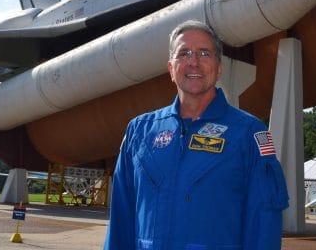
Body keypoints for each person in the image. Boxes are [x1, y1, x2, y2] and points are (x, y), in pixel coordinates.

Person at [103, 20, 289, 250]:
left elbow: (264, 227)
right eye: (184, 53)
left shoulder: (249, 134)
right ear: (171, 68)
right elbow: (121, 220)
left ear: (219, 68)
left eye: (204, 53)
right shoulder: (139, 132)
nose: (193, 62)